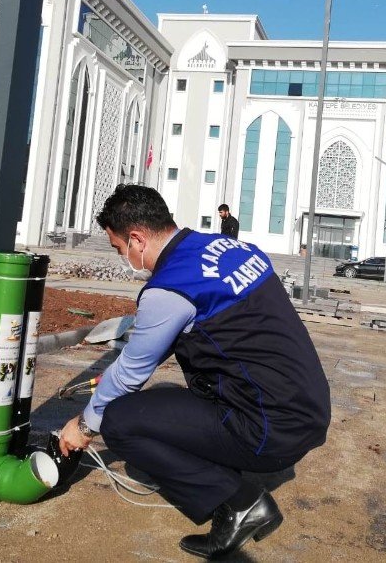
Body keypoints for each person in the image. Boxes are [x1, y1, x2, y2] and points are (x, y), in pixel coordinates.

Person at [58, 185, 331, 559]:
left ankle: (241, 504)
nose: (124, 257)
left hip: (270, 430)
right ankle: (230, 468)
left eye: (119, 249)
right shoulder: (234, 248)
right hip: (307, 410)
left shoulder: (170, 288)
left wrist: (84, 425)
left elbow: (130, 374)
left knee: (119, 421)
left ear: (137, 239)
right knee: (164, 400)